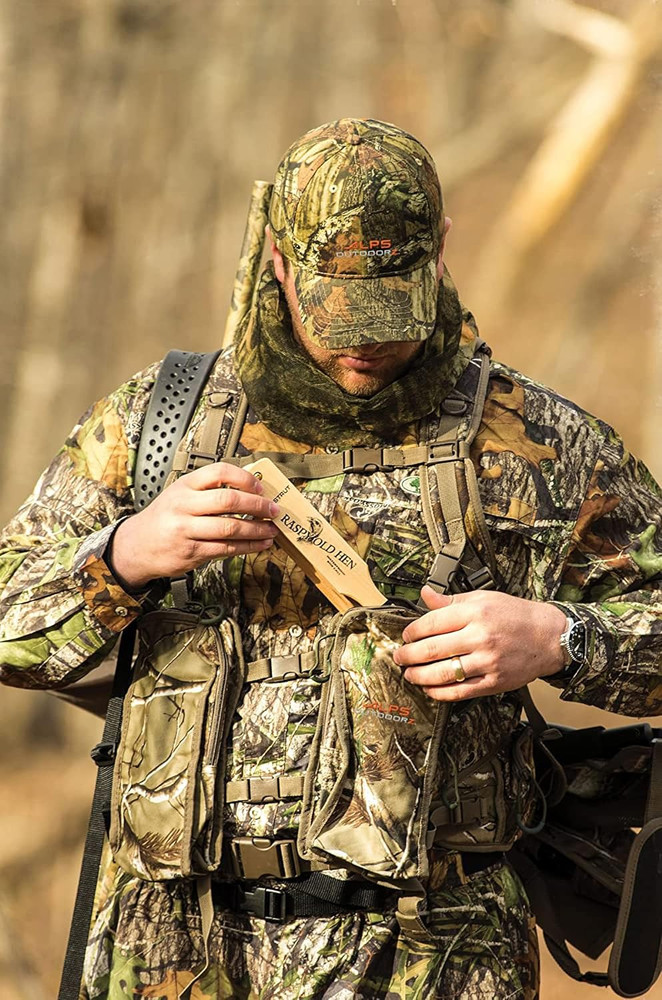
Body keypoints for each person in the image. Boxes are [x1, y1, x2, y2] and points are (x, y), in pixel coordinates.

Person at [0, 117, 660, 1000]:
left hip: (434, 957)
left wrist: (558, 638)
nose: (363, 348)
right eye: (339, 310)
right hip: (171, 952)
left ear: (439, 251)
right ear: (277, 259)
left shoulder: (535, 443)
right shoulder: (158, 424)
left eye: (390, 307)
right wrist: (123, 556)